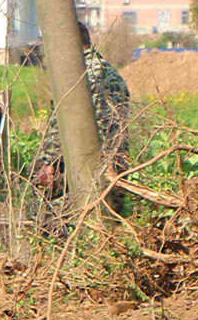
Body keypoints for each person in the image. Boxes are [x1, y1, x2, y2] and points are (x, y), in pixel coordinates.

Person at [33, 22, 132, 194]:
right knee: (109, 210)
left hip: (83, 165)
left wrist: (48, 161)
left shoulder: (77, 75)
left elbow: (61, 122)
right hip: (115, 164)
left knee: (64, 210)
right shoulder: (110, 71)